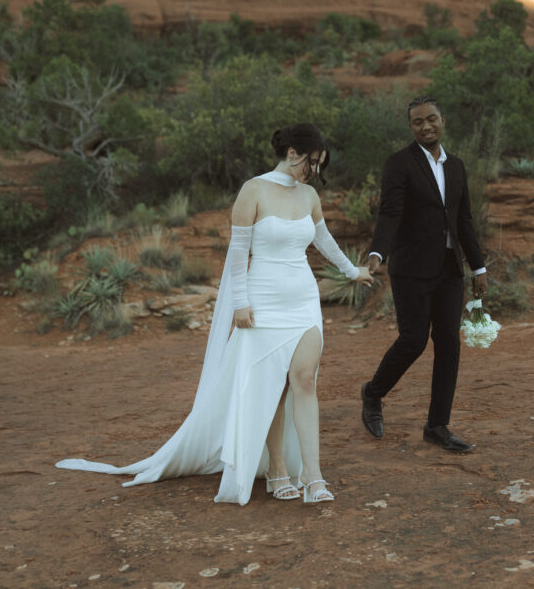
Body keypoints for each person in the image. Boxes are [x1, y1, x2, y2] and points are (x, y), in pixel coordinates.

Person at [56, 123, 373, 504]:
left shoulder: (308, 195)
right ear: (292, 153)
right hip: (263, 301)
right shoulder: (253, 190)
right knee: (274, 388)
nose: (315, 172)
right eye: (312, 163)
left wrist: (352, 272)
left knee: (304, 379)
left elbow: (323, 240)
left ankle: (314, 475)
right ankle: (277, 468)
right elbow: (238, 254)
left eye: (319, 165)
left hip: (303, 302)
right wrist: (240, 302)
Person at [360, 96, 486, 453]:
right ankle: (373, 393)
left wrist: (478, 267)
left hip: (449, 269)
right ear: (411, 127)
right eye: (418, 122)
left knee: (449, 343)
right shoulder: (399, 164)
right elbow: (390, 214)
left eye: (432, 119)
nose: (426, 126)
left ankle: (437, 425)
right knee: (413, 341)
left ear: (443, 120)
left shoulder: (456, 167)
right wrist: (377, 252)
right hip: (412, 269)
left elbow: (464, 222)